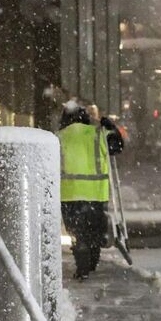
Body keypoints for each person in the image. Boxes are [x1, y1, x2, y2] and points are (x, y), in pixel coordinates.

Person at [58, 101, 124, 279]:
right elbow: (117, 146)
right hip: (96, 195)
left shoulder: (58, 137)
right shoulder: (97, 134)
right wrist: (112, 128)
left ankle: (82, 267)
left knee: (78, 234)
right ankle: (92, 262)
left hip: (69, 196)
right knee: (93, 232)